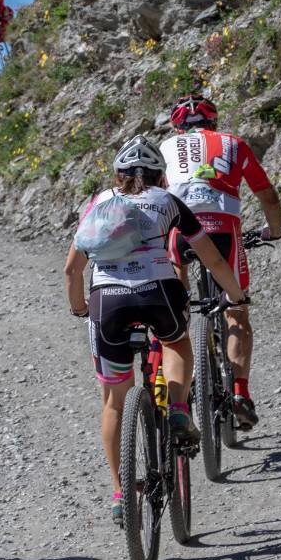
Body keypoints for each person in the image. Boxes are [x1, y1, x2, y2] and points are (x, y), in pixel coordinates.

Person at [63, 135, 247, 526]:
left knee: (113, 400)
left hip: (106, 301)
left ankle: (119, 492)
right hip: (158, 292)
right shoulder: (168, 201)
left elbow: (71, 269)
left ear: (118, 174)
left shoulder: (98, 203)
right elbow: (210, 256)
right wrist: (235, 295)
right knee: (177, 342)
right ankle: (179, 409)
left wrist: (80, 307)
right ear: (162, 176)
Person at [158, 93, 281, 429]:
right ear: (213, 123)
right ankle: (240, 392)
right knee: (237, 310)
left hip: (179, 231)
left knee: (176, 304)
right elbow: (267, 195)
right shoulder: (234, 143)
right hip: (223, 229)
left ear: (177, 127)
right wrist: (274, 231)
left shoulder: (165, 150)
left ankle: (178, 354)